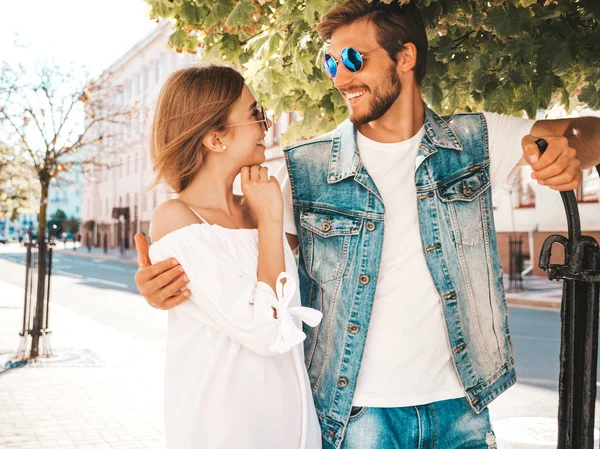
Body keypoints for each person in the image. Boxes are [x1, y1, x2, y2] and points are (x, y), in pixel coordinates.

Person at [135, 1, 600, 448]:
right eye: (330, 63)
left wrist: (572, 149)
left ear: (405, 56)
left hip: (462, 407)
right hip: (356, 417)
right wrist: (170, 281)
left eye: (353, 59)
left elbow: (583, 132)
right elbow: (250, 271)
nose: (341, 77)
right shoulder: (299, 172)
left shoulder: (474, 140)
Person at [144, 65, 322, 449]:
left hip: (292, 423)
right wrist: (270, 220)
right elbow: (267, 328)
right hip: (226, 427)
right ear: (215, 139)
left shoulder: (258, 204)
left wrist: (268, 214)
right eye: (255, 114)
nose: (266, 124)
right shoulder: (176, 219)